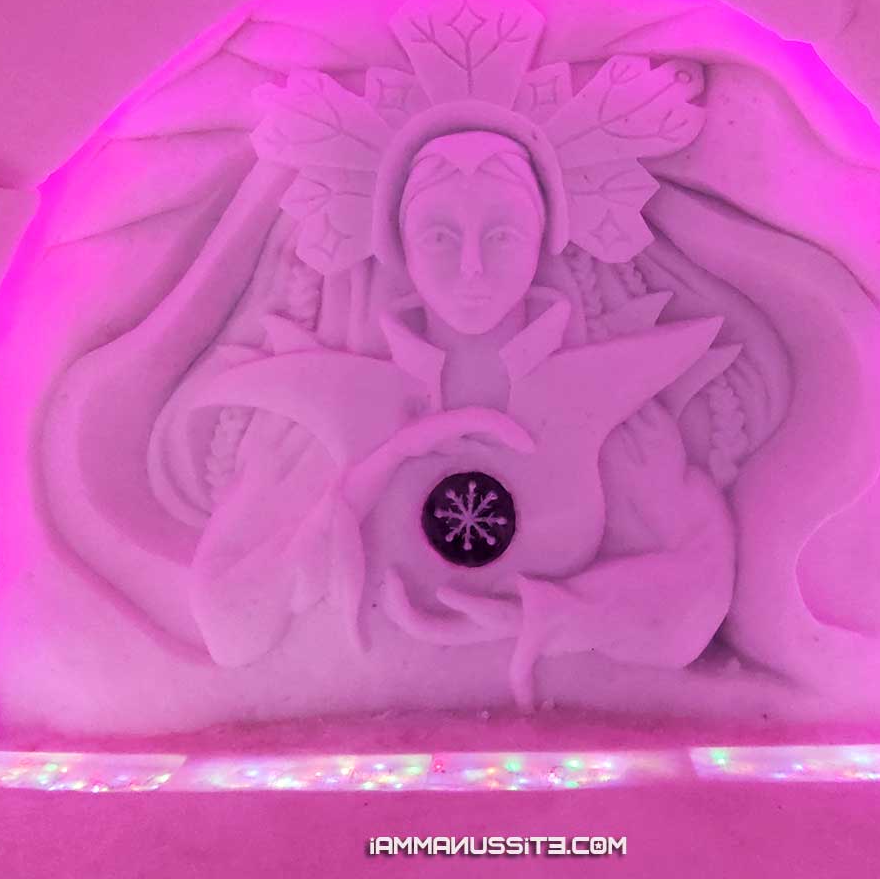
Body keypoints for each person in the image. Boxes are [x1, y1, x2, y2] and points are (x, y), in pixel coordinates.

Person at [162, 128, 737, 710]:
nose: (472, 269)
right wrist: (364, 483)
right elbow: (230, 626)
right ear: (401, 245)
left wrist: (552, 616)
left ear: (540, 242)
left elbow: (694, 600)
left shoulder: (606, 395)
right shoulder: (323, 401)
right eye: (440, 237)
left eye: (503, 236)